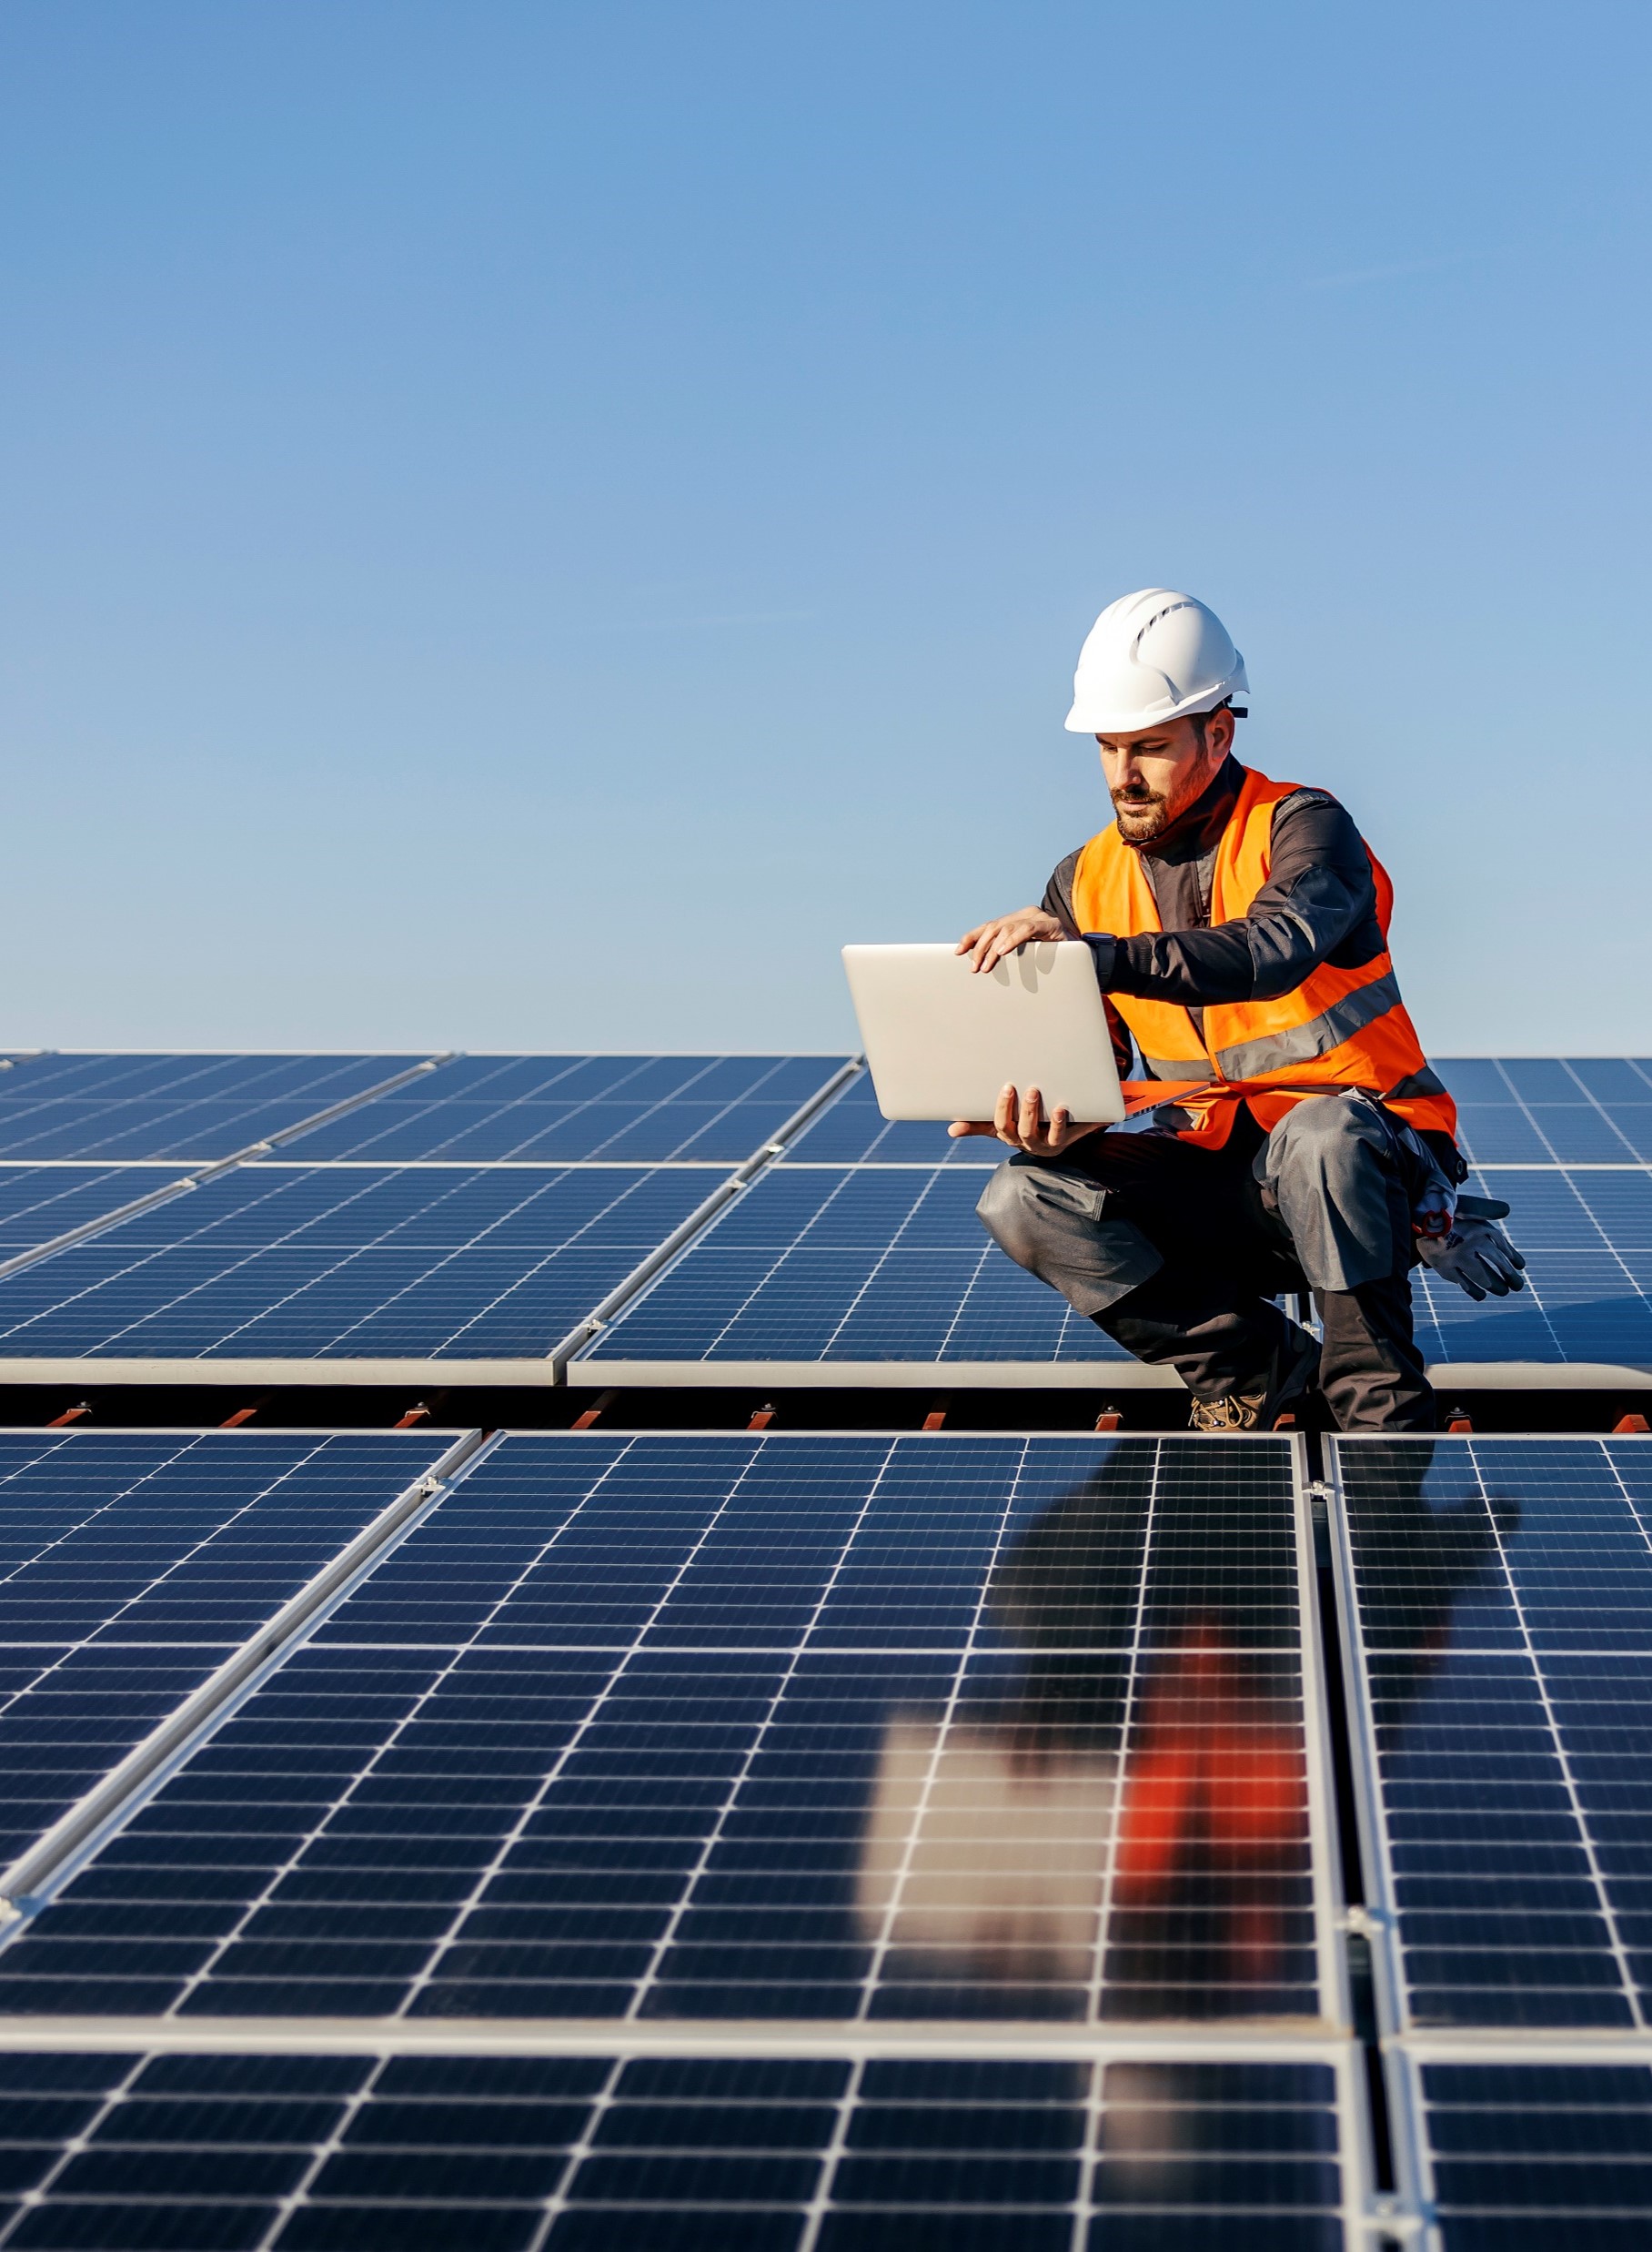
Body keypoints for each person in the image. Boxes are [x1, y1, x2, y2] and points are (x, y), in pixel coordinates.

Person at [954, 587, 1526, 1432]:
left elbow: (1271, 950)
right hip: (1224, 1178)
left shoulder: (1306, 828)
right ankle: (1255, 1367)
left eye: (1148, 746)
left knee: (1325, 1138)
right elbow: (1100, 1069)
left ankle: (1376, 1412)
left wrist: (1097, 953)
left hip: (1366, 1165)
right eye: (1109, 748)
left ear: (1218, 733)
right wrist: (1057, 1123)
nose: (1123, 775)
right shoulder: (1081, 881)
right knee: (1022, 1197)